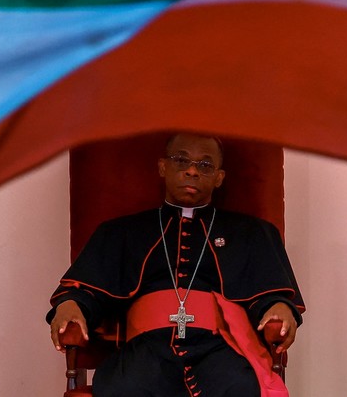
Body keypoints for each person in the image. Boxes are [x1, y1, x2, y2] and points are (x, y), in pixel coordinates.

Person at [48, 133, 304, 397]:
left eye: (205, 165)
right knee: (121, 388)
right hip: (144, 351)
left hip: (220, 350)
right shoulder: (121, 232)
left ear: (219, 178)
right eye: (181, 160)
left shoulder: (250, 233)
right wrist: (70, 305)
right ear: (163, 167)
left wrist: (279, 307)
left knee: (241, 387)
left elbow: (271, 293)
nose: (192, 171)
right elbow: (85, 289)